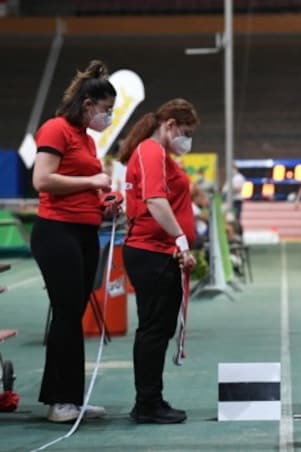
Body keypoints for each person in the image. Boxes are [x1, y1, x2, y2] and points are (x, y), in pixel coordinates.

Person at [30, 60, 116, 423]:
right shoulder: (56, 129)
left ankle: (69, 398)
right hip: (56, 232)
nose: (108, 116)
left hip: (85, 232)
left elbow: (84, 186)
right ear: (87, 105)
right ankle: (59, 401)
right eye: (106, 110)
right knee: (66, 314)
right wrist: (92, 183)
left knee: (73, 316)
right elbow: (43, 180)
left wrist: (105, 202)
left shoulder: (86, 139)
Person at [117, 98, 199, 424]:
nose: (187, 139)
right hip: (152, 251)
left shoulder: (158, 155)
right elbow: (155, 201)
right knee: (153, 330)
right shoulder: (151, 152)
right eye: (186, 131)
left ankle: (151, 400)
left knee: (158, 328)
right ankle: (147, 403)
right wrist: (182, 242)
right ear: (169, 125)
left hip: (156, 251)